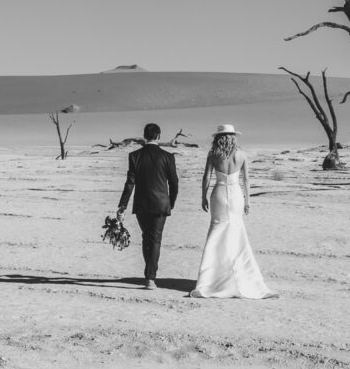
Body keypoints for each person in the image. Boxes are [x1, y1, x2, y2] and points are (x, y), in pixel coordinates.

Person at [189, 125, 276, 299]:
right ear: (233, 137)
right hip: (236, 195)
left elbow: (206, 177)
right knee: (236, 231)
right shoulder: (241, 154)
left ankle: (211, 279)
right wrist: (248, 201)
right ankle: (240, 275)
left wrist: (203, 197)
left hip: (219, 193)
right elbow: (246, 180)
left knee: (216, 232)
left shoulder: (213, 154)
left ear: (218, 138)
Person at [116, 123, 179, 290]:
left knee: (146, 237)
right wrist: (170, 203)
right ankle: (150, 277)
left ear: (145, 136)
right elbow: (174, 183)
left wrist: (122, 206)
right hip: (161, 204)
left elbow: (130, 183)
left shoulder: (134, 156)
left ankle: (149, 275)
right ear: (159, 136)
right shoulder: (168, 156)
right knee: (155, 239)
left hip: (142, 204)